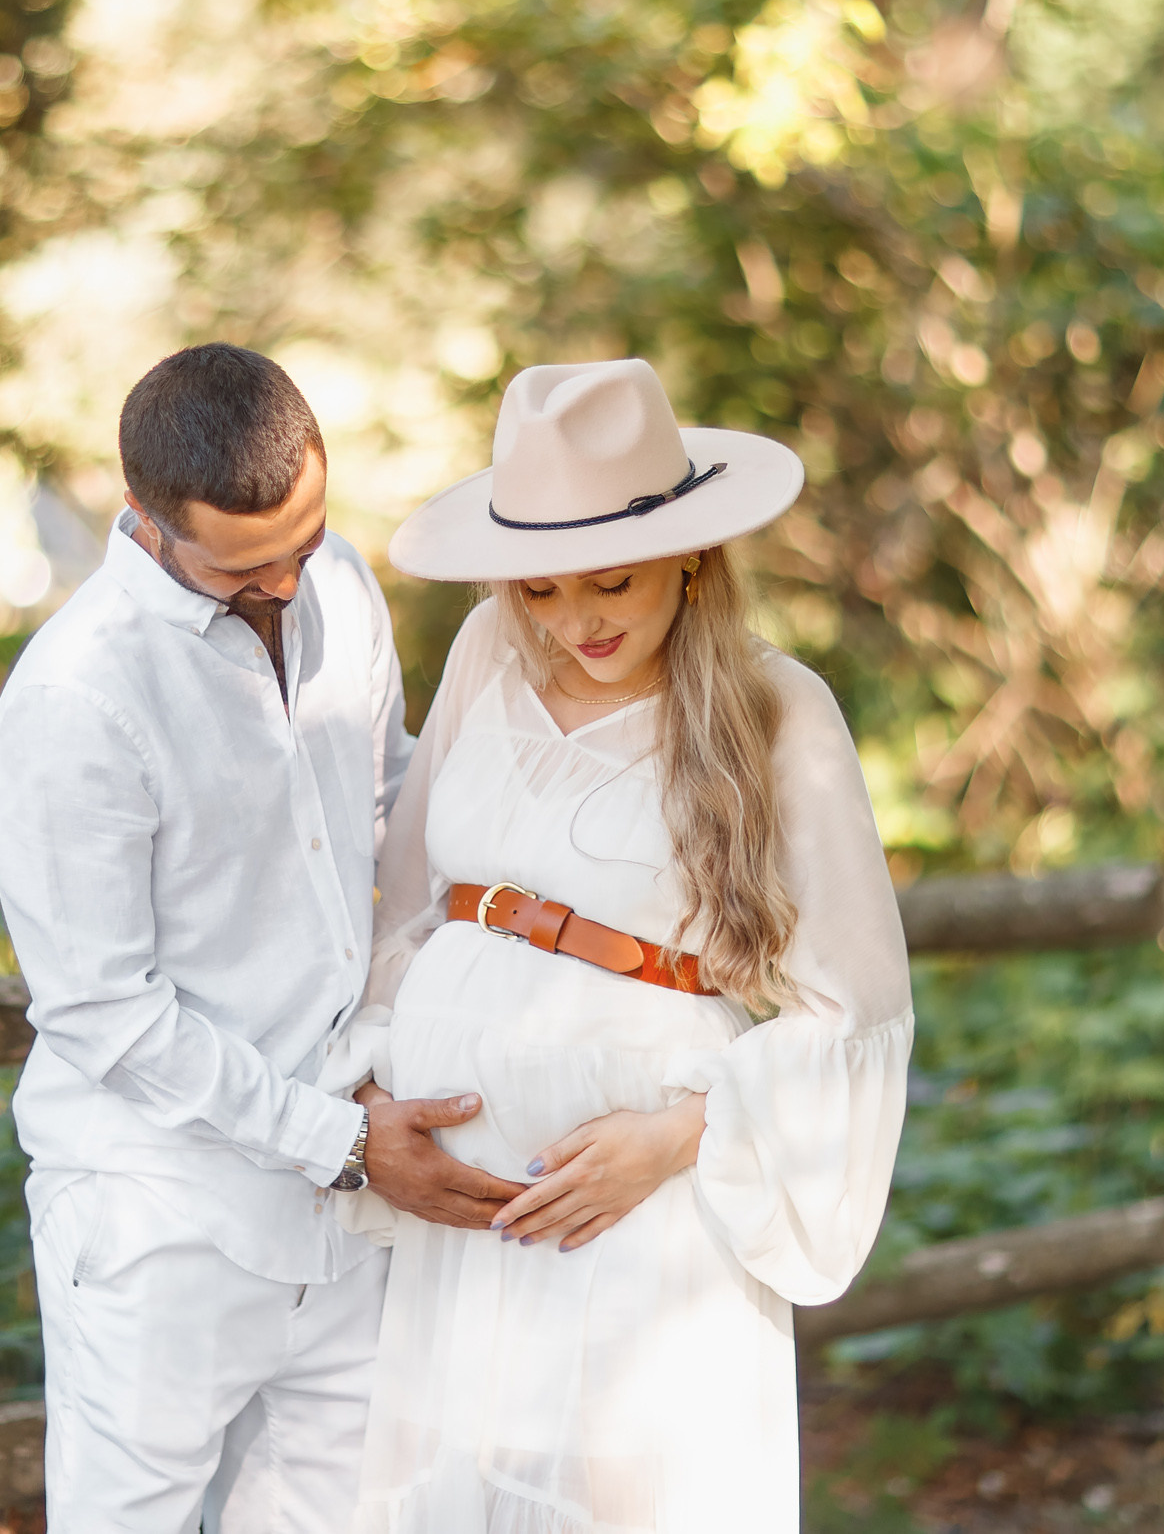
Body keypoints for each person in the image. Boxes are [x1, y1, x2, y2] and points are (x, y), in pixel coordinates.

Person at [331, 359, 916, 1532]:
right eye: (536, 589)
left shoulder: (774, 709)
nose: (573, 623)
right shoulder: (487, 660)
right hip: (468, 1219)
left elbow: (858, 1014)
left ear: (690, 557)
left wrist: (673, 1139)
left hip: (643, 1205)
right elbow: (407, 913)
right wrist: (374, 1092)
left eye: (609, 582)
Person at [0, 343, 524, 1533]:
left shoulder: (342, 591)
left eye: (304, 539)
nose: (286, 581)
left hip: (348, 1214)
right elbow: (105, 1015)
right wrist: (339, 1141)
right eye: (244, 566)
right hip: (164, 1221)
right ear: (144, 519)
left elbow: (397, 809)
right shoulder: (74, 706)